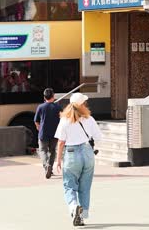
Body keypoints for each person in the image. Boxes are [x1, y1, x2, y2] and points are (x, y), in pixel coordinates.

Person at [55, 93, 102, 226]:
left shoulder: (64, 120)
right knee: (85, 187)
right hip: (87, 153)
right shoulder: (89, 119)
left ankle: (74, 207)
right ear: (82, 105)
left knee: (69, 186)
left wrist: (58, 160)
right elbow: (98, 138)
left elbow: (60, 142)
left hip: (71, 154)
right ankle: (82, 215)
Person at [34, 88, 62, 179]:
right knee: (53, 150)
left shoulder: (41, 107)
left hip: (43, 133)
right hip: (55, 133)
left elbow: (36, 120)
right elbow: (63, 118)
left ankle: (46, 166)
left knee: (42, 150)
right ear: (53, 96)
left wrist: (38, 127)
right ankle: (50, 166)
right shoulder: (58, 107)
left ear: (44, 97)